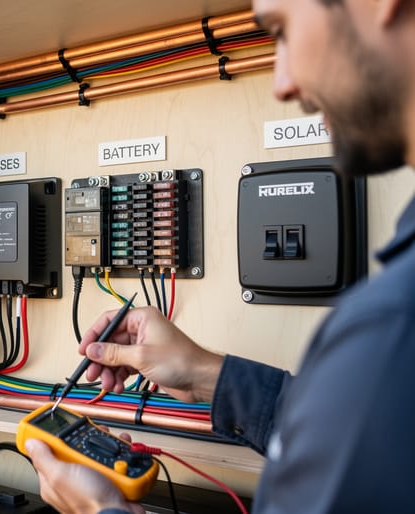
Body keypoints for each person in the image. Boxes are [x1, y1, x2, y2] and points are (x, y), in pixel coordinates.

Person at [23, 0, 415, 512]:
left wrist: (107, 512)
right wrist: (206, 372)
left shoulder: (391, 327)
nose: (282, 83)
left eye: (282, 28)